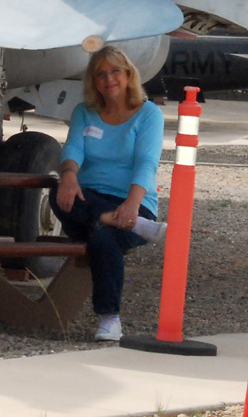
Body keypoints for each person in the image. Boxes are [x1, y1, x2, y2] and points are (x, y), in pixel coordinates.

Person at [50, 45, 167, 342]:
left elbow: (147, 162)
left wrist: (131, 204)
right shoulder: (84, 112)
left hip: (134, 204)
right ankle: (107, 218)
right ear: (92, 81)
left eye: (115, 71)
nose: (108, 79)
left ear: (128, 75)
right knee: (57, 190)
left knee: (103, 237)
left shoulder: (148, 114)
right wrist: (69, 175)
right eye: (100, 73)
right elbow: (73, 148)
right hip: (89, 197)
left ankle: (109, 318)